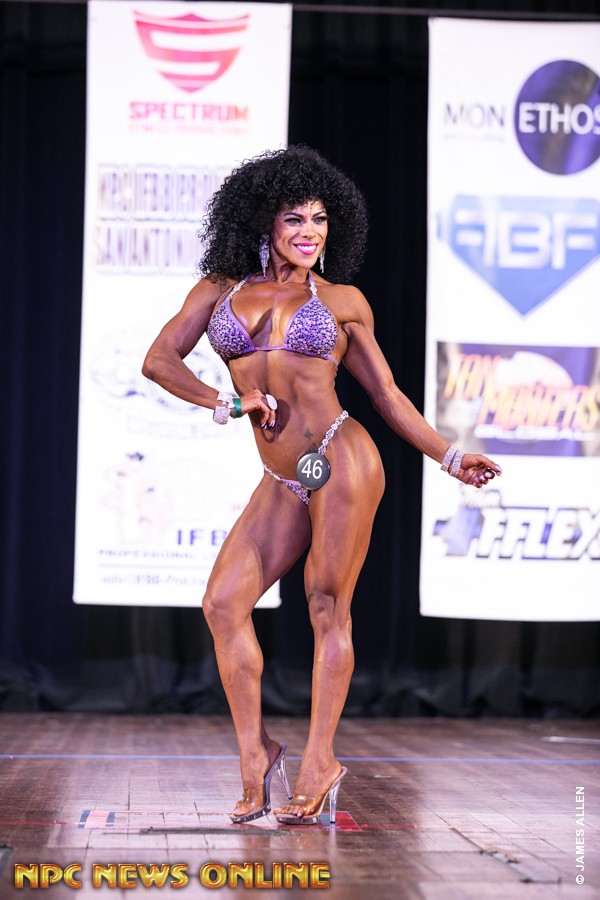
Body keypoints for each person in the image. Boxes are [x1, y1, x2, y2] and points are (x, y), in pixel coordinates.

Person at [142, 145, 502, 826]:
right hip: (284, 474)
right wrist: (225, 401)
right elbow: (159, 360)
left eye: (319, 219)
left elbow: (387, 395)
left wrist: (450, 457)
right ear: (262, 221)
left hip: (341, 456)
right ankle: (257, 755)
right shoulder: (219, 290)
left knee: (326, 606)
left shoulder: (341, 302)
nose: (310, 232)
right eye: (294, 219)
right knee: (222, 604)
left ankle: (319, 762)